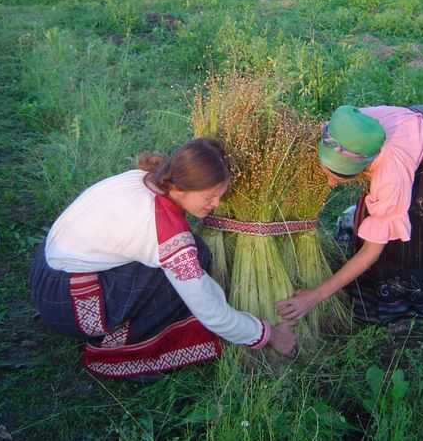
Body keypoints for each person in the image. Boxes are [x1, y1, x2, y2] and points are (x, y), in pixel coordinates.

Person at [30, 138, 296, 379]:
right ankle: (120, 349)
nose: (216, 203)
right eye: (209, 196)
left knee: (195, 253)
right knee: (181, 275)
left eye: (219, 195)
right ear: (182, 188)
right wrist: (268, 334)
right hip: (67, 303)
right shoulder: (165, 228)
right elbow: (211, 312)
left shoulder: (144, 178)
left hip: (45, 271)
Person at [277, 105, 423, 325]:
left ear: (367, 162)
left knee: (419, 226)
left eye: (340, 177)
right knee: (380, 214)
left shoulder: (390, 176)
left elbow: (371, 252)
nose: (331, 182)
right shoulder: (347, 127)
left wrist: (315, 296)